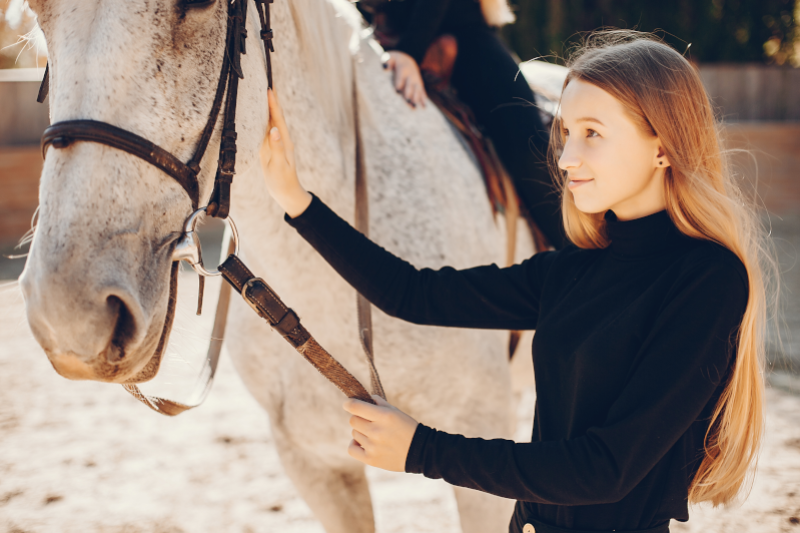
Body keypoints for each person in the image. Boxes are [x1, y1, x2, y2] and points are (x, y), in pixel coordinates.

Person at [259, 32, 773, 533]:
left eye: (592, 133)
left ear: (663, 148)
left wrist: (422, 450)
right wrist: (296, 201)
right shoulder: (573, 267)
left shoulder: (709, 280)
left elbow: (604, 470)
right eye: (567, 132)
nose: (567, 158)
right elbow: (410, 293)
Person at [374, 0, 568, 248]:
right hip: (381, 41)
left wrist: (410, 51)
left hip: (464, 41)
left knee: (530, 153)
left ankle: (582, 262)